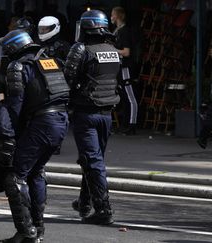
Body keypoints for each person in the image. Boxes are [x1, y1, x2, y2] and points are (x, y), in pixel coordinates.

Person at [0, 29, 70, 242]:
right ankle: (38, 228)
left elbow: (14, 108)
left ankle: (26, 231)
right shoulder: (49, 61)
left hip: (42, 124)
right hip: (60, 121)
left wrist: (9, 135)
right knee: (36, 172)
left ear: (12, 48)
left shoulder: (17, 67)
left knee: (16, 177)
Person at [64, 9, 120, 225]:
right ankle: (85, 202)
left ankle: (103, 209)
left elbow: (67, 80)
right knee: (93, 160)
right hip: (107, 114)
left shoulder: (80, 50)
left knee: (92, 161)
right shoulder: (112, 50)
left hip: (86, 113)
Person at [37, 15, 71, 155]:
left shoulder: (63, 46)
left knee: (59, 116)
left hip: (59, 85)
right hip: (43, 85)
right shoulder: (38, 46)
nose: (44, 32)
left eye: (46, 29)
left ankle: (56, 144)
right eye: (42, 29)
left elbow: (70, 67)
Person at [111, 6, 138, 135]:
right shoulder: (116, 31)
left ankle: (132, 124)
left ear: (119, 16)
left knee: (130, 96)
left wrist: (112, 50)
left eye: (113, 14)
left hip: (125, 67)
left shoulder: (124, 32)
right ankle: (125, 123)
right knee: (123, 97)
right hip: (119, 67)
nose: (111, 17)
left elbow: (126, 52)